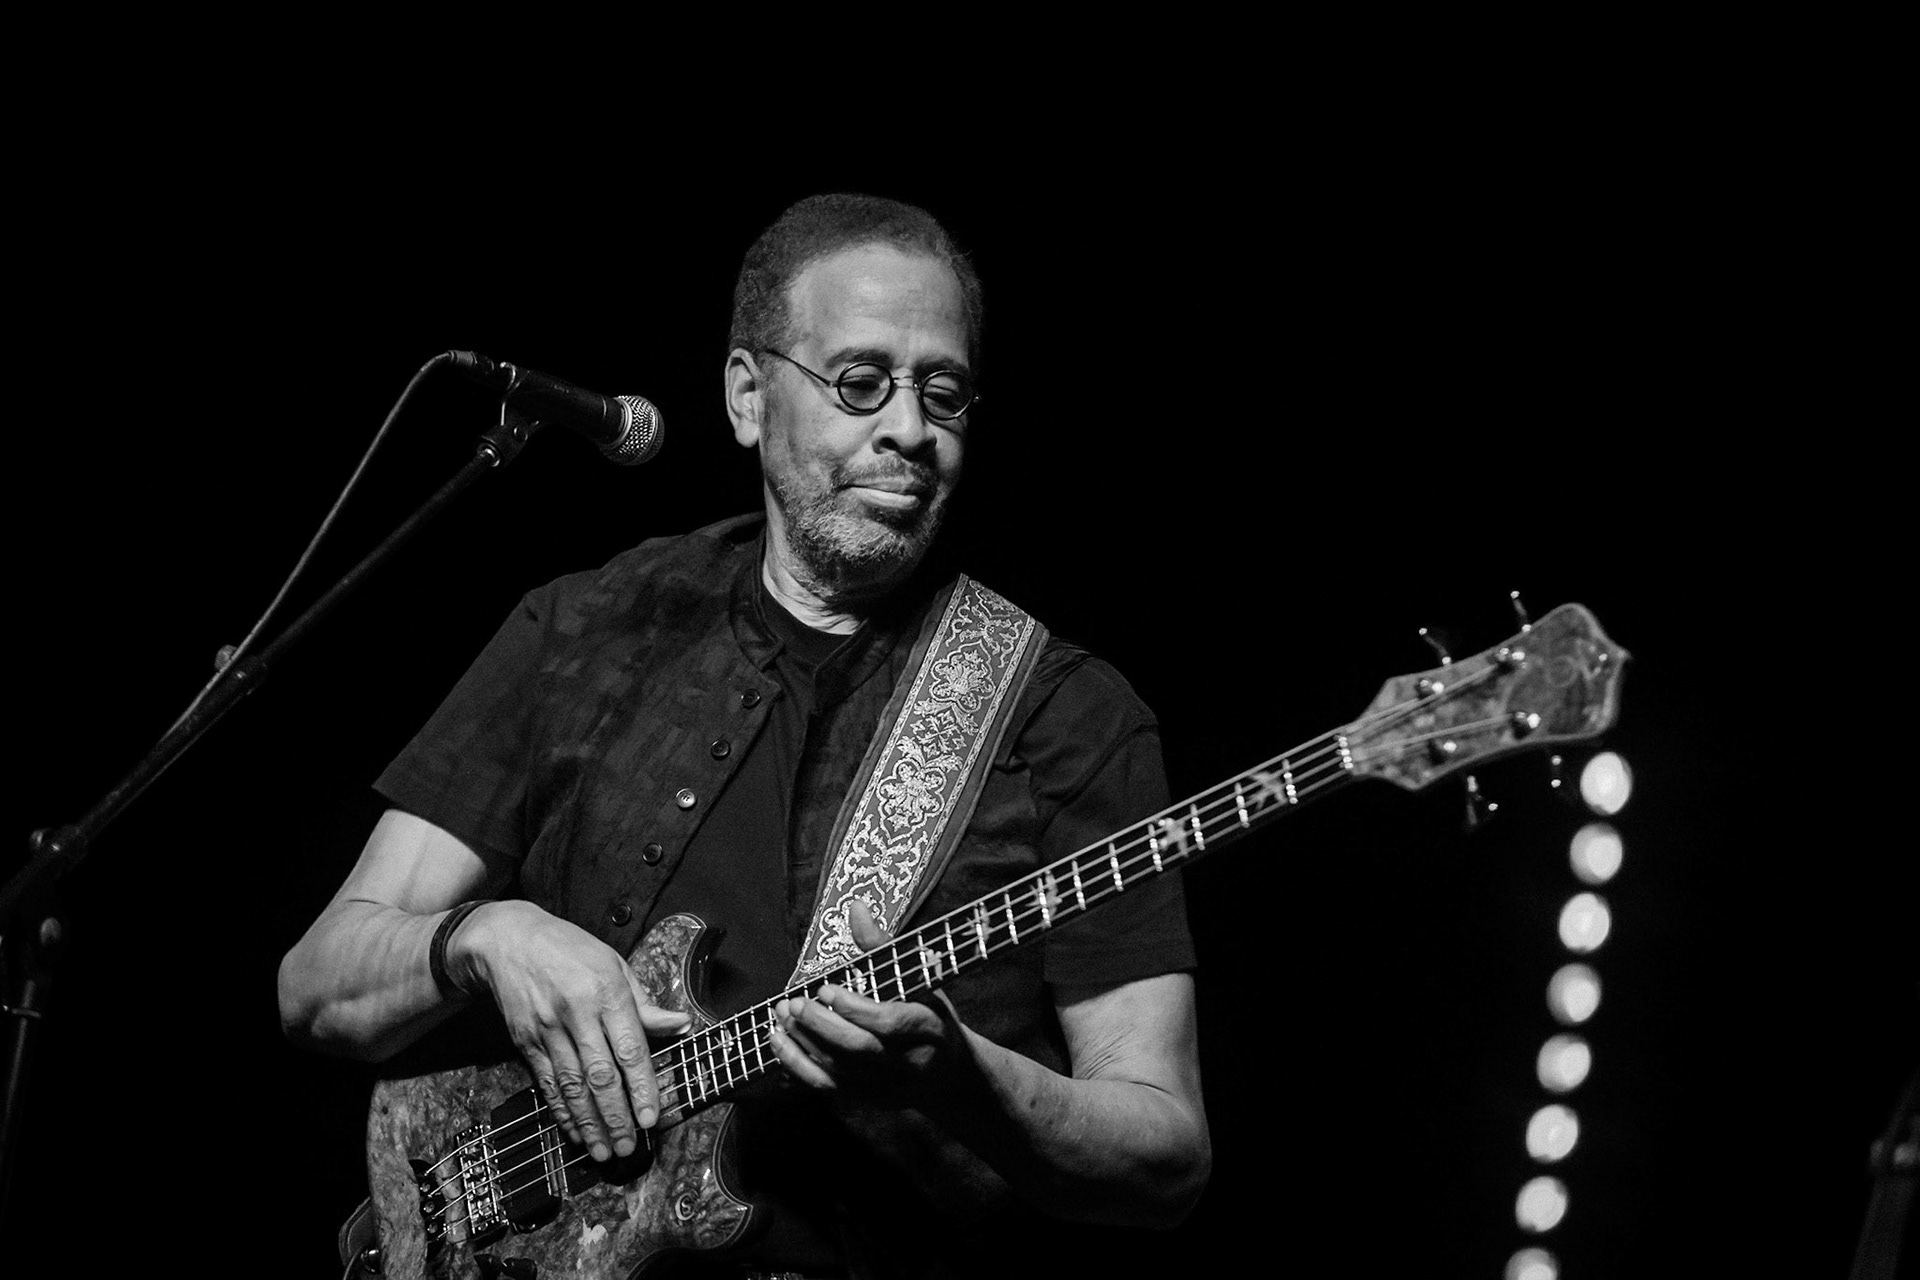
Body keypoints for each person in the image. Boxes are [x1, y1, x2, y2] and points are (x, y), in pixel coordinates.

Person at [278, 193, 1210, 1279]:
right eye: (861, 381)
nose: (908, 428)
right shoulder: (586, 627)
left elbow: (1166, 1156)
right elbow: (318, 986)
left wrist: (965, 1076)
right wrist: (485, 937)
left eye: (942, 393)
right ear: (748, 395)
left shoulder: (1071, 714)